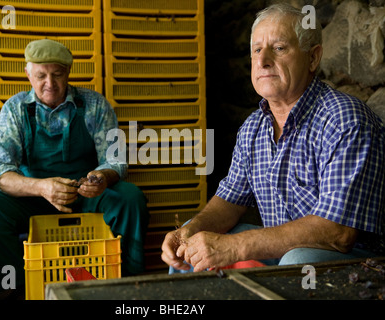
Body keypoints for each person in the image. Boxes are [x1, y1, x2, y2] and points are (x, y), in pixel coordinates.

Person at [162, 3, 384, 273]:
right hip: (285, 252)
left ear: (313, 58)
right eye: (257, 50)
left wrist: (233, 246)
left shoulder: (345, 120)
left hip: (360, 260)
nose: (263, 60)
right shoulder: (253, 127)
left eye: (279, 48)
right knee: (192, 252)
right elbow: (229, 201)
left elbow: (337, 233)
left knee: (296, 263)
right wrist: (189, 230)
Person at [0, 39, 149, 293]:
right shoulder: (15, 110)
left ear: (68, 74)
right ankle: (13, 288)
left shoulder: (94, 105)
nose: (49, 84)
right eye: (41, 75)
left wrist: (101, 178)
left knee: (130, 198)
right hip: (33, 199)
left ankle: (128, 282)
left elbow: (115, 160)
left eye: (57, 74)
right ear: (28, 74)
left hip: (84, 194)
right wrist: (41, 187)